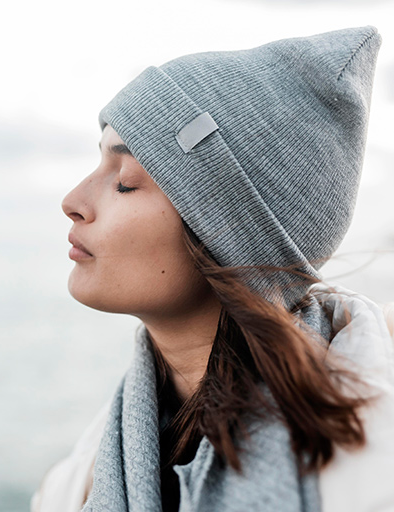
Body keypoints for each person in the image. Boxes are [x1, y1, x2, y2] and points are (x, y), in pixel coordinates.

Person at [31, 26, 394, 512]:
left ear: (225, 229)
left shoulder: (369, 469)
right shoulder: (85, 474)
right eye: (97, 165)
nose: (72, 202)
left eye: (125, 182)